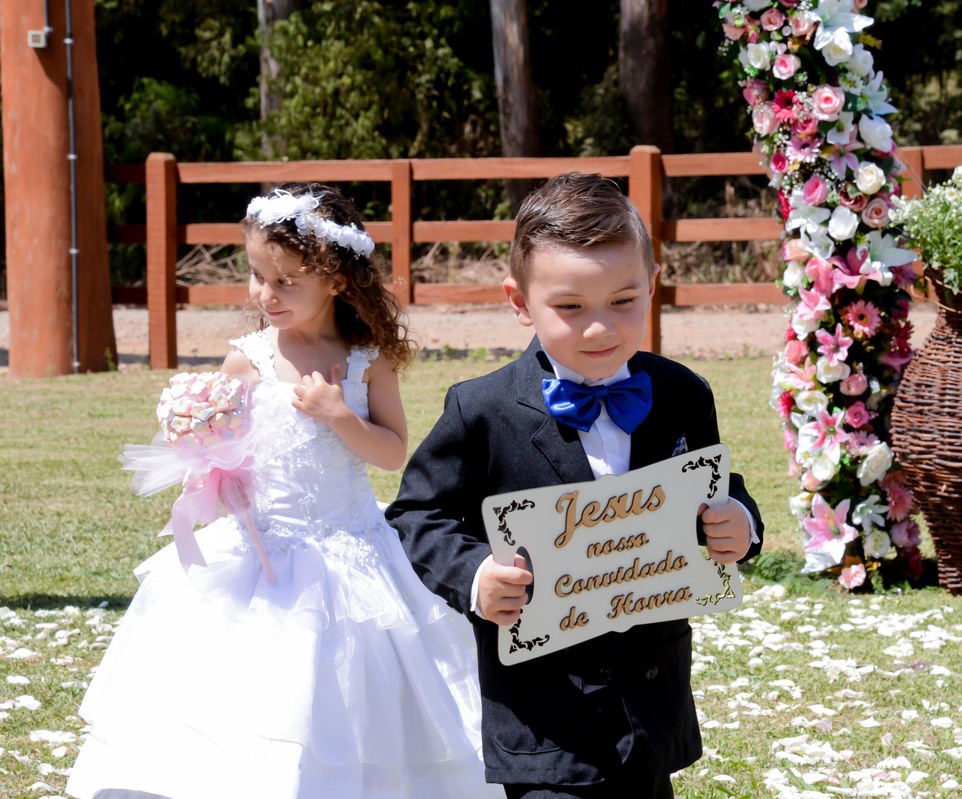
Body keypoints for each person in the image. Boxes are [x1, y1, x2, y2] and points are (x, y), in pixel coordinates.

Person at [67, 183, 502, 799]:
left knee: (345, 683)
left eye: (285, 281)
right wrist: (211, 465)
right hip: (260, 549)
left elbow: (391, 452)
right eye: (257, 276)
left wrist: (338, 414)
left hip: (350, 550)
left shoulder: (366, 361)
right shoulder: (247, 359)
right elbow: (231, 449)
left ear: (336, 280)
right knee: (249, 688)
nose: (264, 294)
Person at [386, 172, 764, 798]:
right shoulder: (481, 410)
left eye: (623, 301)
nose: (599, 329)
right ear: (519, 302)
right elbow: (416, 515)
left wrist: (739, 522)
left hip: (651, 699)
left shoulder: (682, 394)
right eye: (570, 307)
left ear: (653, 284)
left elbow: (714, 485)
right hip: (545, 713)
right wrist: (476, 576)